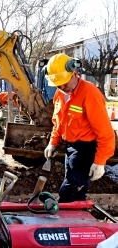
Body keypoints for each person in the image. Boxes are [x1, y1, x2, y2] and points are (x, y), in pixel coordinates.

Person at [43, 53, 115, 203]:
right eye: (58, 84)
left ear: (74, 73)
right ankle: (73, 217)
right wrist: (53, 142)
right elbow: (58, 122)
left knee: (71, 191)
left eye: (65, 82)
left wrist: (100, 161)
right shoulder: (59, 94)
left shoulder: (90, 94)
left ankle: (69, 219)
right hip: (71, 147)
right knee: (72, 185)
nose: (62, 87)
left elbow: (106, 132)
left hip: (85, 149)